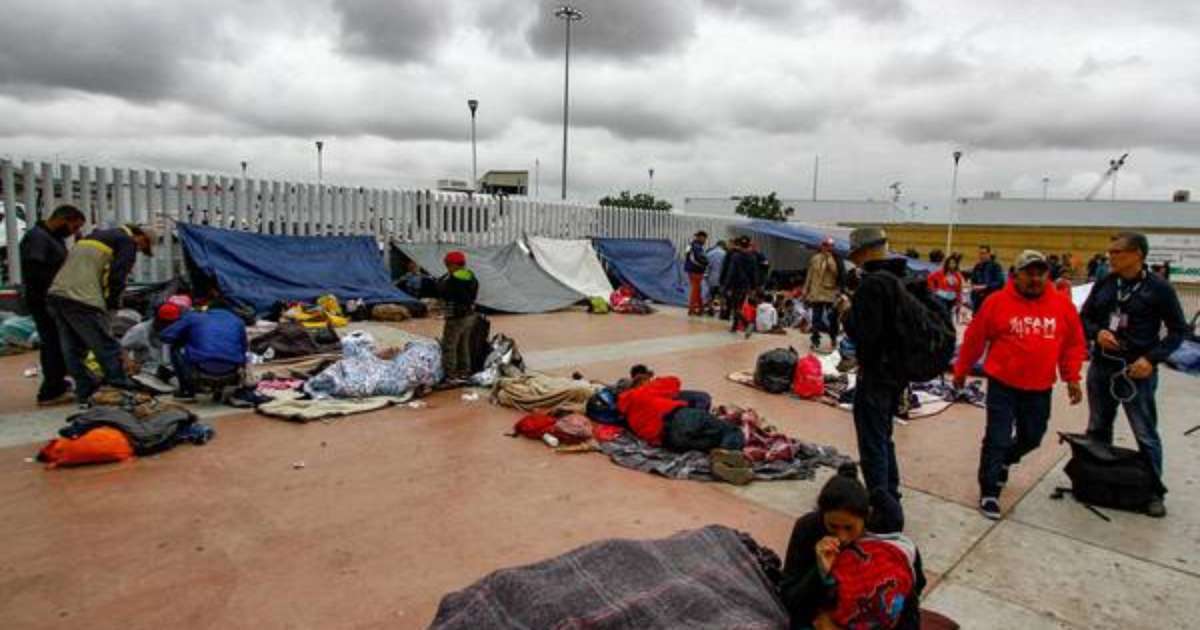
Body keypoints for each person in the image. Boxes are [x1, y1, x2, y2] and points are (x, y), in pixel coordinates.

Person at [953, 251, 1087, 520]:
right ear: (1016, 275)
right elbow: (975, 338)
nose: (1035, 278)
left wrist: (1072, 377)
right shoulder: (997, 302)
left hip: (1039, 387)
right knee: (996, 437)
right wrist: (961, 370)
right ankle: (989, 490)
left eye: (1040, 273)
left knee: (1032, 437)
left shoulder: (1062, 306)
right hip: (1003, 384)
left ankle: (1006, 459)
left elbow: (1073, 344)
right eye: (1029, 272)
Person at [1080, 232, 1188, 518]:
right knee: (1098, 426)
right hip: (1103, 366)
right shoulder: (1105, 282)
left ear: (1137, 254)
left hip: (1136, 371)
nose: (1111, 257)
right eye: (1110, 252)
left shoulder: (1159, 288)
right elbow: (1085, 317)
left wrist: (1151, 359)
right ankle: (1098, 481)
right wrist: (1097, 332)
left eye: (1118, 252)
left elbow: (1179, 331)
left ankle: (1154, 491)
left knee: (1145, 432)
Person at [781, 463, 925, 630]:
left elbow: (911, 591)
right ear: (822, 515)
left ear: (866, 517)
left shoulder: (884, 539)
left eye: (850, 528)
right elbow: (790, 598)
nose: (842, 537)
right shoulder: (808, 529)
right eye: (833, 527)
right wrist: (819, 571)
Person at [47, 223, 155, 405]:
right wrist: (112, 303)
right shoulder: (126, 241)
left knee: (73, 349)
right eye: (142, 247)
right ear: (141, 237)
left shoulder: (93, 236)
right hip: (83, 298)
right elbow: (116, 276)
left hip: (57, 295)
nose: (137, 251)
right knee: (106, 345)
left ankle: (86, 392)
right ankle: (121, 389)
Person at [844, 227, 909, 506]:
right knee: (884, 436)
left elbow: (865, 334)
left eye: (856, 254)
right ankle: (891, 492)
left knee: (872, 440)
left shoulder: (873, 284)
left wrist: (847, 312)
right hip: (898, 371)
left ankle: (881, 504)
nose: (855, 261)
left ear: (865, 251)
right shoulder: (902, 277)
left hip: (876, 372)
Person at [617, 365, 752, 484]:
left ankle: (722, 461)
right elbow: (674, 381)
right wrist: (652, 380)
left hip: (671, 441)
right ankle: (727, 455)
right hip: (680, 418)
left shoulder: (628, 417)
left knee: (712, 441)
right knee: (732, 430)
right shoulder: (640, 392)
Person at [18, 204, 86, 405]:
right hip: (44, 300)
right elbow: (34, 270)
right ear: (64, 219)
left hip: (50, 299)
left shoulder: (51, 238)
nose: (73, 233)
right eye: (74, 227)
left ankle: (57, 383)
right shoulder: (38, 238)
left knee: (57, 342)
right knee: (53, 344)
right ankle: (51, 390)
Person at [159, 298, 248, 400]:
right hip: (231, 370)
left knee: (175, 348)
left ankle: (187, 390)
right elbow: (244, 348)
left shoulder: (194, 317)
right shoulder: (238, 321)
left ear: (209, 309)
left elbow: (165, 336)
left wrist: (187, 336)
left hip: (202, 367)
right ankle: (220, 387)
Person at [437, 250, 479, 382]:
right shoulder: (470, 276)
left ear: (455, 265)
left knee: (450, 345)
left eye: (448, 265)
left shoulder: (454, 279)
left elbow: (444, 292)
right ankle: (464, 372)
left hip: (456, 316)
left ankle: (450, 375)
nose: (447, 268)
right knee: (463, 344)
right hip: (469, 315)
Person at [121, 301, 185, 383]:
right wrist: (129, 363)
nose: (167, 326)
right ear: (157, 319)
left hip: (169, 371)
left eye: (171, 324)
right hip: (146, 372)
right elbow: (122, 348)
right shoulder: (140, 330)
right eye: (164, 323)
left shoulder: (176, 330)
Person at [803, 237, 844, 352]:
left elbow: (837, 273)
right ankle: (815, 340)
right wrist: (806, 289)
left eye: (830, 245)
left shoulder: (835, 259)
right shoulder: (815, 258)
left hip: (830, 293)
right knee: (816, 318)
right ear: (822, 246)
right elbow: (810, 274)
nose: (827, 247)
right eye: (825, 245)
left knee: (832, 317)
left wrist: (829, 259)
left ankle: (833, 338)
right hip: (816, 292)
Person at [720, 236, 758, 330]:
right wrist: (753, 287)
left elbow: (731, 272)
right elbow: (753, 273)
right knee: (739, 305)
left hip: (735, 285)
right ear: (748, 245)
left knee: (735, 306)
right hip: (746, 285)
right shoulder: (752, 257)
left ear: (740, 245)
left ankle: (747, 323)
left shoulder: (735, 256)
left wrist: (725, 285)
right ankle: (735, 326)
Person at [969, 245, 1004, 312]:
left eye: (984, 253)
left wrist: (985, 286)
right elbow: (973, 280)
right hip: (978, 299)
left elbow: (1000, 282)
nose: (981, 256)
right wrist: (974, 287)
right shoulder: (977, 266)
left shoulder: (996, 266)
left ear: (989, 254)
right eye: (980, 253)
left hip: (991, 299)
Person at [684, 230, 709, 316]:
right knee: (695, 290)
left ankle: (700, 308)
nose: (705, 241)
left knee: (697, 289)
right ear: (701, 237)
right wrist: (706, 262)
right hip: (696, 270)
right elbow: (699, 258)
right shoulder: (697, 247)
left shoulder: (690, 245)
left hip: (690, 269)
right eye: (704, 238)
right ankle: (691, 309)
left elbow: (686, 255)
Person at [704, 240, 727, 315]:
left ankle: (710, 309)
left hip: (711, 277)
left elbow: (706, 266)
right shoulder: (725, 254)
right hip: (722, 278)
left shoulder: (710, 253)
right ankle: (723, 311)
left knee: (711, 294)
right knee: (722, 295)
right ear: (723, 246)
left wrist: (706, 275)